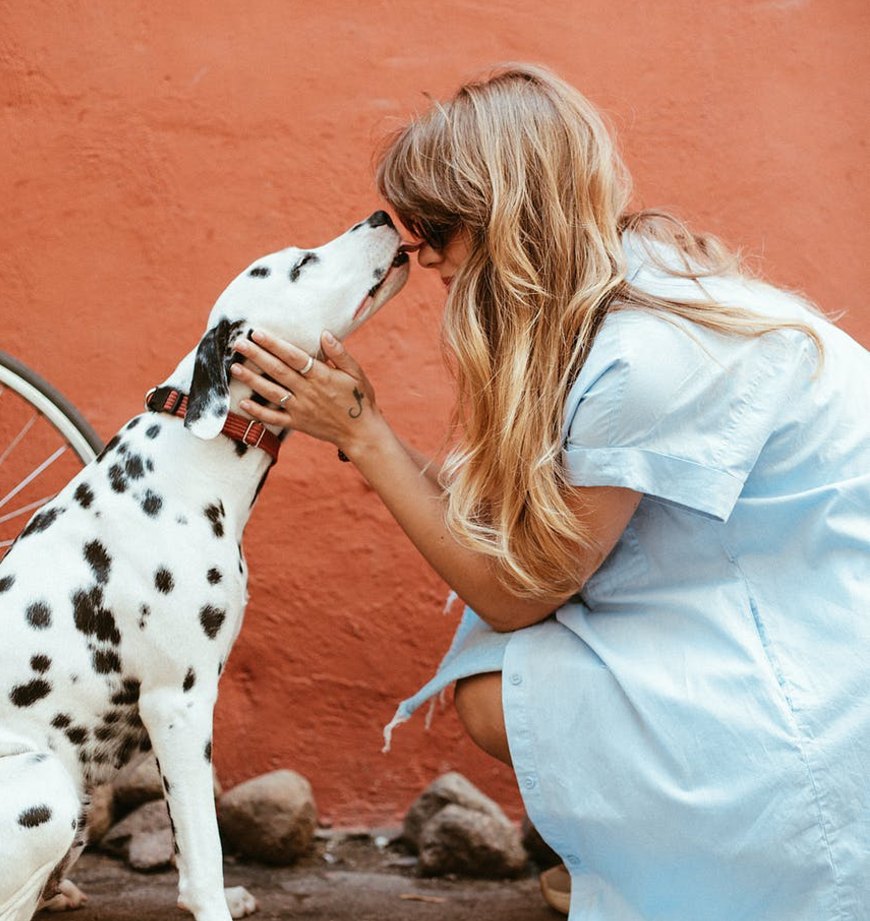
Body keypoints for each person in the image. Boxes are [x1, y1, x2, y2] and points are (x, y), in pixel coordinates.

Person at [230, 64, 870, 920]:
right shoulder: (626, 279)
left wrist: (363, 436)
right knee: (506, 634)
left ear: (502, 222)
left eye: (433, 230)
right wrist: (364, 422)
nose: (416, 254)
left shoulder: (644, 359)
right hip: (773, 595)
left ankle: (705, 857)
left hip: (821, 658)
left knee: (500, 682)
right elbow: (500, 525)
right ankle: (641, 849)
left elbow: (517, 591)